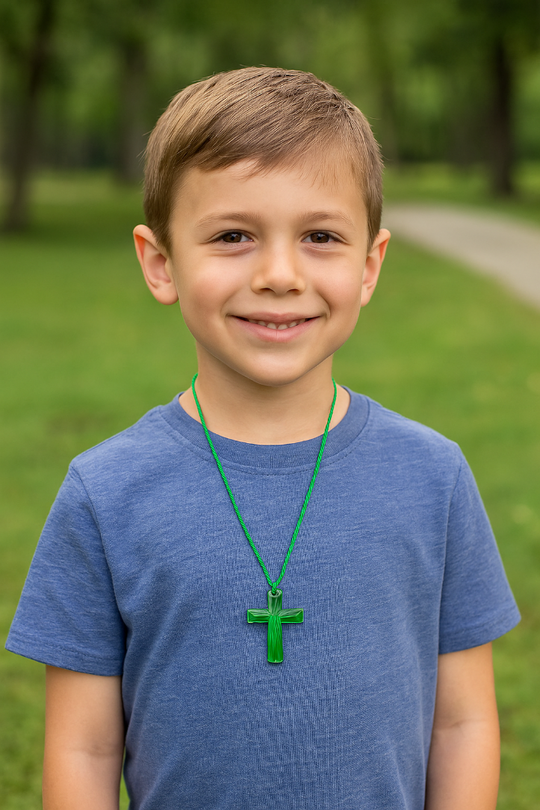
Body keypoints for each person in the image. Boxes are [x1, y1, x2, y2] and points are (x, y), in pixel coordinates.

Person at [6, 67, 519, 810]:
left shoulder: (432, 476)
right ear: (160, 263)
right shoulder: (105, 492)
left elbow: (464, 722)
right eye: (233, 236)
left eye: (320, 236)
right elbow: (84, 747)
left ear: (369, 264)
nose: (280, 275)